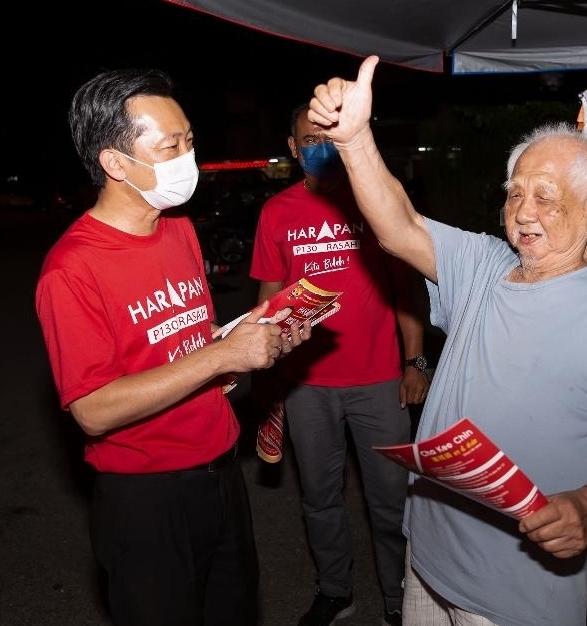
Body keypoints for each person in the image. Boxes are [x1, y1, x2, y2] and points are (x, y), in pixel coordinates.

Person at [305, 56, 587, 626]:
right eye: (514, 193)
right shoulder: (485, 264)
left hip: (520, 588)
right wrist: (356, 138)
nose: (522, 211)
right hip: (428, 556)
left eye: (545, 195)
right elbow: (401, 226)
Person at [35, 68, 311, 626]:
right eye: (171, 146)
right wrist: (221, 357)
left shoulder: (179, 229)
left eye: (190, 140)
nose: (190, 156)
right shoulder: (72, 270)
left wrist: (247, 337)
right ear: (114, 163)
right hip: (147, 500)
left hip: (221, 471)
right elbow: (92, 409)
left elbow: (186, 344)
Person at [249, 101, 430, 626]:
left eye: (328, 137)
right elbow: (269, 300)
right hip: (307, 384)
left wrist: (415, 360)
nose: (319, 148)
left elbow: (407, 286)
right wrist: (268, 378)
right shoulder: (276, 212)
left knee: (392, 501)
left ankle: (401, 599)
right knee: (319, 497)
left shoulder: (376, 200)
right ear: (292, 148)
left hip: (380, 382)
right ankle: (335, 590)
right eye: (308, 140)